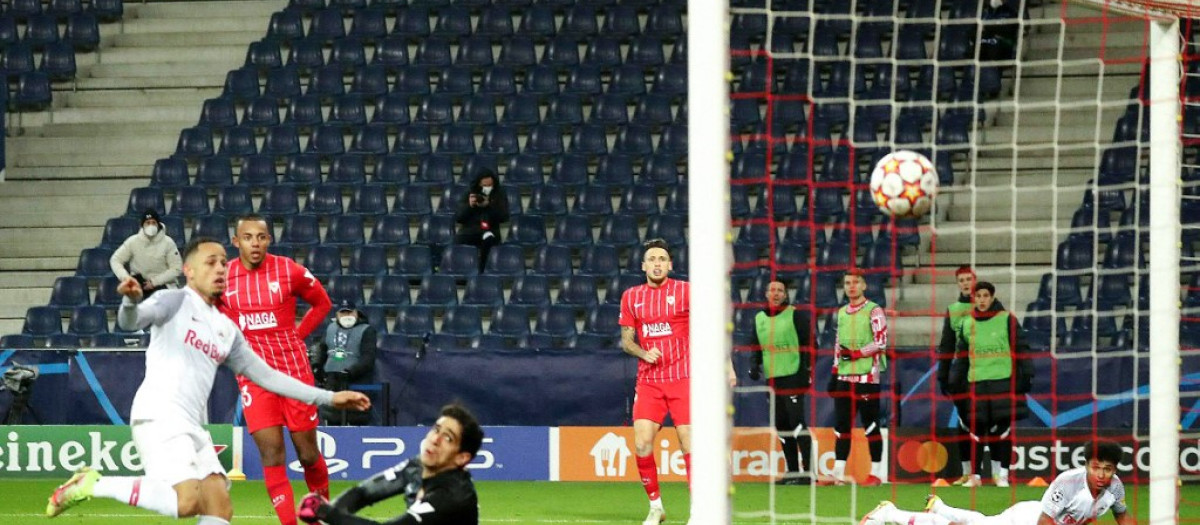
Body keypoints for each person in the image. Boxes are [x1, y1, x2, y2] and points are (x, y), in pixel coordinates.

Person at [44, 237, 370, 524]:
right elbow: (132, 322)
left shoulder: (225, 328)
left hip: (192, 427)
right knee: (187, 501)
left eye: (224, 263)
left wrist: (327, 398)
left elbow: (269, 376)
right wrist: (129, 301)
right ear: (189, 270)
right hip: (159, 416)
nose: (220, 269)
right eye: (210, 262)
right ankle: (92, 484)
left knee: (219, 507)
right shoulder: (174, 301)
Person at [220, 214, 334, 525]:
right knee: (272, 456)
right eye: (248, 237)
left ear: (269, 240)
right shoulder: (224, 278)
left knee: (308, 454)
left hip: (293, 373)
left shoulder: (288, 270)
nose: (255, 243)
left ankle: (320, 516)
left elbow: (322, 303)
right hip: (253, 377)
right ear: (236, 241)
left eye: (261, 237)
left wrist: (297, 335)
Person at [618, 238, 736, 525]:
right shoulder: (631, 296)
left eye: (662, 259)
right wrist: (644, 352)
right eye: (652, 259)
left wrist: (727, 366)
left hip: (685, 379)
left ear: (669, 265)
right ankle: (656, 507)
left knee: (689, 445)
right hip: (649, 382)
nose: (657, 263)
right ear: (643, 265)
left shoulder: (687, 292)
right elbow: (626, 341)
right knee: (643, 443)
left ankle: (698, 511)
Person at [860, 440, 1132, 525]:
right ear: (1087, 465)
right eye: (1096, 467)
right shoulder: (1068, 483)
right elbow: (1045, 522)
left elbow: (1123, 515)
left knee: (977, 521)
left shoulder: (1115, 487)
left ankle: (939, 507)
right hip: (1027, 519)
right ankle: (888, 512)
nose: (1101, 475)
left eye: (1107, 470)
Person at [296, 404, 483, 525]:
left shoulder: (453, 496)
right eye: (436, 429)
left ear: (462, 458)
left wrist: (327, 513)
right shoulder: (416, 467)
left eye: (448, 438)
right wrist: (331, 512)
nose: (435, 439)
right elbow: (363, 493)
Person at [949, 281, 1034, 487]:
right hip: (976, 384)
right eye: (978, 296)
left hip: (1002, 382)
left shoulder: (1007, 319)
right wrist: (955, 381)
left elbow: (1021, 348)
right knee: (976, 429)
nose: (981, 300)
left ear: (992, 297)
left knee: (1001, 431)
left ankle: (1001, 475)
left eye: (985, 296)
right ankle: (975, 477)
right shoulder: (967, 323)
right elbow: (962, 356)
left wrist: (1026, 374)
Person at [821, 269, 888, 486]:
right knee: (842, 426)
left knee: (870, 425)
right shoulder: (841, 312)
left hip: (867, 377)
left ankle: (875, 474)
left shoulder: (874, 310)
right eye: (847, 283)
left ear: (864, 286)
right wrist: (834, 371)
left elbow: (881, 341)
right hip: (844, 377)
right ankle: (837, 474)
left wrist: (857, 354)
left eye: (855, 282)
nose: (851, 286)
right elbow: (838, 343)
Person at [747, 279, 814, 485]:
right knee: (782, 425)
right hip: (773, 379)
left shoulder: (796, 315)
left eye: (780, 290)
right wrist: (754, 365)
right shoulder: (759, 319)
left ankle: (808, 472)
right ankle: (792, 472)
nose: (775, 293)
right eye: (772, 290)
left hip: (794, 375)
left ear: (785, 295)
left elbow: (811, 344)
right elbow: (755, 345)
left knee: (797, 423)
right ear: (766, 294)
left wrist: (806, 371)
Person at [936, 266, 978, 486]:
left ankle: (988, 473)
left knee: (984, 420)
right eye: (961, 280)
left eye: (968, 279)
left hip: (985, 371)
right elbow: (947, 344)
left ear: (975, 280)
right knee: (964, 422)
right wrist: (943, 374)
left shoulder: (986, 305)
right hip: (962, 373)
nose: (965, 283)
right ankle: (966, 471)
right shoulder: (953, 309)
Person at [309, 301, 377, 426]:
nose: (347, 315)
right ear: (337, 314)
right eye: (343, 312)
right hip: (331, 384)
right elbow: (322, 349)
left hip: (356, 385)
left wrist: (350, 372)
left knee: (355, 421)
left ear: (356, 313)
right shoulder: (330, 328)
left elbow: (368, 358)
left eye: (350, 312)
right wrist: (317, 366)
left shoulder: (367, 330)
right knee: (331, 419)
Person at [109, 208, 182, 298]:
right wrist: (126, 278)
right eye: (147, 223)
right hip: (139, 286)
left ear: (158, 225)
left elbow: (176, 268)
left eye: (153, 222)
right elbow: (115, 260)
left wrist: (154, 282)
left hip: (164, 286)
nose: (150, 225)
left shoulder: (168, 242)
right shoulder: (133, 241)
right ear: (142, 225)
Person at [454, 169, 510, 273]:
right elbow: (459, 218)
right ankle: (459, 271)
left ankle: (482, 272)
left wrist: (489, 205)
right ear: (479, 184)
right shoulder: (470, 193)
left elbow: (504, 217)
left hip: (490, 230)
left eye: (490, 185)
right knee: (457, 240)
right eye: (485, 185)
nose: (488, 187)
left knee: (488, 240)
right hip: (471, 230)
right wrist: (469, 206)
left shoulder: (499, 193)